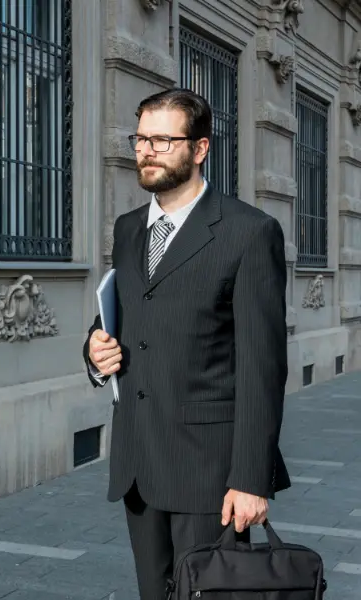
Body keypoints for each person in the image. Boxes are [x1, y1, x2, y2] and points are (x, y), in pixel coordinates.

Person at [83, 88, 291, 600]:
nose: (145, 151)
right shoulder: (129, 229)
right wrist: (94, 352)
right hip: (139, 465)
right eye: (139, 139)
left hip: (211, 475)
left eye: (161, 140)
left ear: (199, 149)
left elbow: (263, 367)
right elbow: (122, 314)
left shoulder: (249, 232)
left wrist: (251, 479)